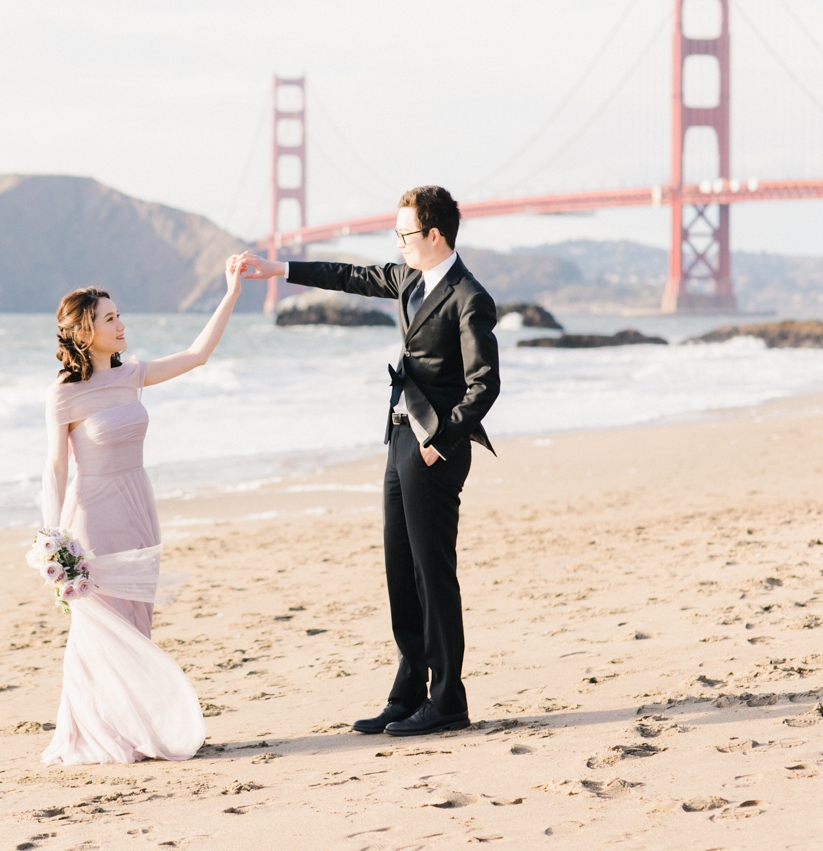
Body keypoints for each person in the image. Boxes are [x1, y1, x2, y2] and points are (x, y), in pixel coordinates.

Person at [239, 185, 500, 736]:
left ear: (435, 235)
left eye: (405, 235)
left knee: (434, 574)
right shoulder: (408, 275)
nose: (398, 244)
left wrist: (442, 440)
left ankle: (448, 700)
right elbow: (350, 276)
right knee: (399, 571)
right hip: (400, 435)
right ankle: (408, 693)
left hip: (436, 447)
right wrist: (278, 269)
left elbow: (485, 384)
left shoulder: (468, 297)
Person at [38, 254, 246, 765]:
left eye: (117, 314)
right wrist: (52, 537)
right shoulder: (64, 395)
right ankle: (95, 732)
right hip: (93, 515)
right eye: (110, 318)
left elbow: (197, 355)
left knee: (137, 622)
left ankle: (136, 729)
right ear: (85, 332)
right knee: (101, 626)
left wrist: (232, 292)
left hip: (138, 506)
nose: (121, 323)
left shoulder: (132, 374)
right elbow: (56, 468)